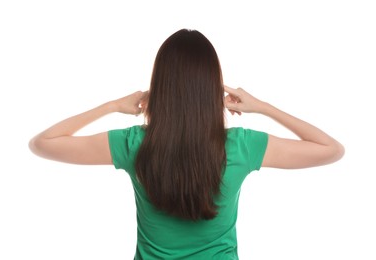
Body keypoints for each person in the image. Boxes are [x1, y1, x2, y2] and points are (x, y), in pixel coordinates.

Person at [29, 29, 344, 259]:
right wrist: (262, 106)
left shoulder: (133, 143)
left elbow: (42, 143)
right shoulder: (241, 146)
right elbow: (331, 150)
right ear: (210, 87)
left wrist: (112, 105)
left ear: (160, 86)